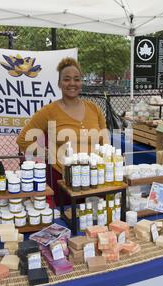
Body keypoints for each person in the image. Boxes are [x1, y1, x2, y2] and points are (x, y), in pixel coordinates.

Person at [16, 57, 109, 202]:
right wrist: (48, 153)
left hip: (96, 178)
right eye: (67, 79)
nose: (72, 83)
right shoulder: (49, 111)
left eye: (77, 79)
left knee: (97, 219)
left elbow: (105, 141)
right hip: (65, 180)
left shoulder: (94, 109)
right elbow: (22, 139)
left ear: (81, 82)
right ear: (59, 83)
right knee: (69, 220)